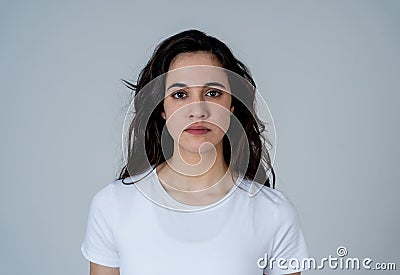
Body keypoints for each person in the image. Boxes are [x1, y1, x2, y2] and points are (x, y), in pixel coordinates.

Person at [81, 29, 309, 275]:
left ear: (231, 106)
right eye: (180, 95)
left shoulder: (273, 213)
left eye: (213, 93)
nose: (198, 110)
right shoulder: (112, 206)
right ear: (162, 109)